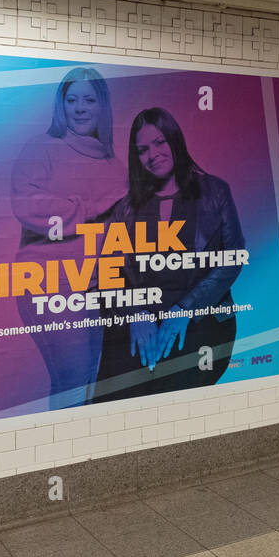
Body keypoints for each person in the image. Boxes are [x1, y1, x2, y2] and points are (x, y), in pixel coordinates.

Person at [93, 107, 245, 404]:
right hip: (142, 318)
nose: (153, 154)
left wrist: (183, 310)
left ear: (174, 141)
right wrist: (135, 314)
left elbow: (233, 258)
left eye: (160, 143)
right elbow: (107, 272)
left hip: (198, 316)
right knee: (119, 385)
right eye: (143, 149)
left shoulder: (215, 191)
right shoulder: (125, 208)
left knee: (178, 387)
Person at [10, 67, 125, 408]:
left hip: (93, 285)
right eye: (71, 100)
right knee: (73, 383)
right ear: (61, 106)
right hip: (49, 283)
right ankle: (59, 455)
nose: (80, 108)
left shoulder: (114, 163)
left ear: (102, 106)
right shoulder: (41, 149)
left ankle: (79, 452)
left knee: (88, 382)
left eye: (89, 100)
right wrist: (93, 207)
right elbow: (26, 205)